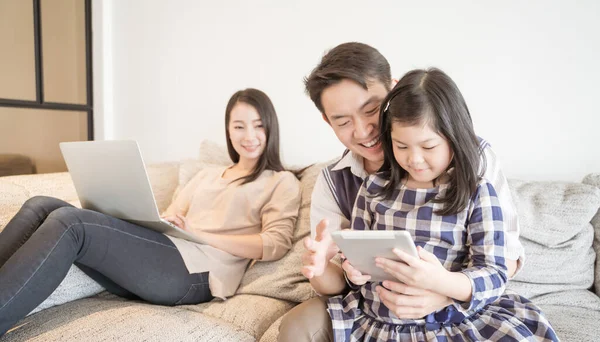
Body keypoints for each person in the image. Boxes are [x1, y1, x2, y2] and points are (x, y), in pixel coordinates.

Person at [0, 88, 301, 337]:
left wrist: (202, 235)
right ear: (228, 130)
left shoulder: (280, 181)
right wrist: (162, 218)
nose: (249, 135)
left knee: (71, 223)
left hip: (198, 273)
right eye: (239, 126)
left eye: (258, 125)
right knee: (41, 204)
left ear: (270, 128)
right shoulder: (208, 175)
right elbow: (172, 215)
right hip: (166, 250)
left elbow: (274, 244)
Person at [279, 43, 524, 341]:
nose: (364, 130)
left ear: (393, 94)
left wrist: (444, 292)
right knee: (297, 325)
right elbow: (346, 277)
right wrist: (323, 267)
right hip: (378, 309)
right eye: (343, 121)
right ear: (327, 121)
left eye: (371, 110)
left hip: (454, 304)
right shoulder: (347, 184)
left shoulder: (475, 164)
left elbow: (502, 259)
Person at [324, 67, 557, 340]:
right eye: (401, 146)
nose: (415, 159)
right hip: (378, 323)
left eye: (429, 147)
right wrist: (354, 272)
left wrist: (440, 282)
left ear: (454, 138)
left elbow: (495, 275)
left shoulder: (477, 192)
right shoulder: (373, 188)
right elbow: (355, 267)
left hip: (450, 321)